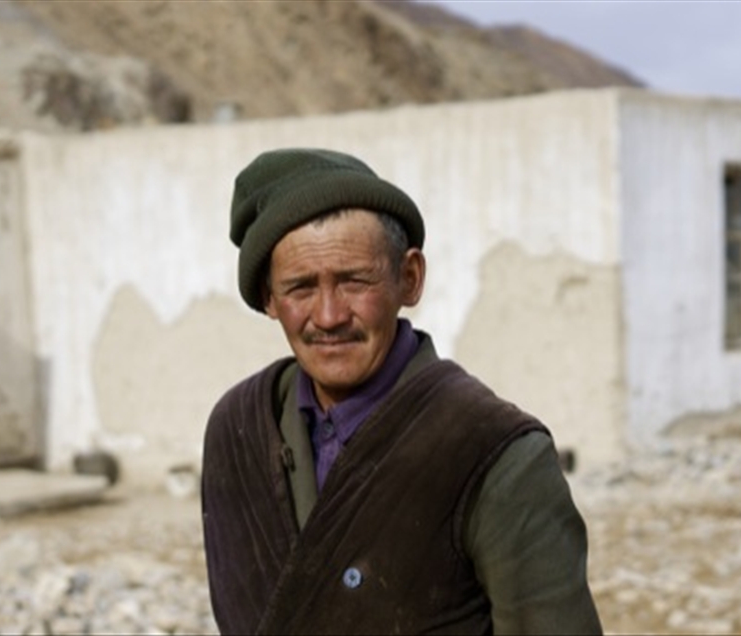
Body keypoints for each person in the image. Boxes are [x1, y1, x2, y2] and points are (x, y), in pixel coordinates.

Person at [201, 148, 602, 635]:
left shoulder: (493, 453)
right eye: (300, 288)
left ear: (408, 279)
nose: (329, 316)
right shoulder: (240, 429)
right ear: (269, 299)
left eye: (354, 281)